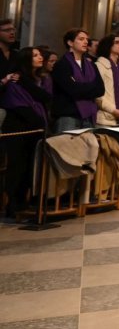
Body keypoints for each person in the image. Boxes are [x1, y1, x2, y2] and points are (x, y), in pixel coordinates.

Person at [0, 47, 51, 218]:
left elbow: (46, 97)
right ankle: (12, 204)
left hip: (35, 128)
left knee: (31, 166)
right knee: (17, 166)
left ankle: (24, 201)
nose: (40, 57)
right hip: (18, 127)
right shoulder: (15, 81)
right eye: (35, 55)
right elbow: (18, 105)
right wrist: (39, 122)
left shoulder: (37, 79)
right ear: (26, 59)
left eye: (40, 55)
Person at [50, 29, 105, 132]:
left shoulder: (91, 65)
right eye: (81, 39)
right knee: (66, 147)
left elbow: (100, 89)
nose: (85, 42)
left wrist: (79, 86)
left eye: (86, 39)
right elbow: (72, 90)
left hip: (89, 115)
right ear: (70, 43)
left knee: (88, 147)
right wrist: (90, 86)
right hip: (68, 115)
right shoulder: (62, 64)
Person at [94, 34, 119, 127]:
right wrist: (113, 110)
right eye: (117, 42)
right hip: (105, 118)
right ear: (108, 45)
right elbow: (97, 94)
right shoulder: (99, 66)